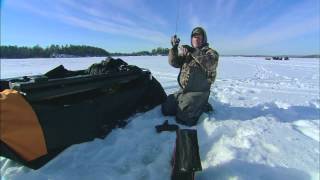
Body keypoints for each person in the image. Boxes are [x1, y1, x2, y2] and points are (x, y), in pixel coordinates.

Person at [161, 27, 219, 126]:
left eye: (199, 37)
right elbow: (174, 63)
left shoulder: (210, 53)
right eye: (194, 37)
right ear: (191, 39)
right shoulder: (188, 53)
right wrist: (174, 48)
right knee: (165, 109)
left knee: (184, 119)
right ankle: (188, 103)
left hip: (199, 92)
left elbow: (210, 63)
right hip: (184, 90)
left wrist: (193, 50)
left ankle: (202, 105)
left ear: (204, 39)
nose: (196, 39)